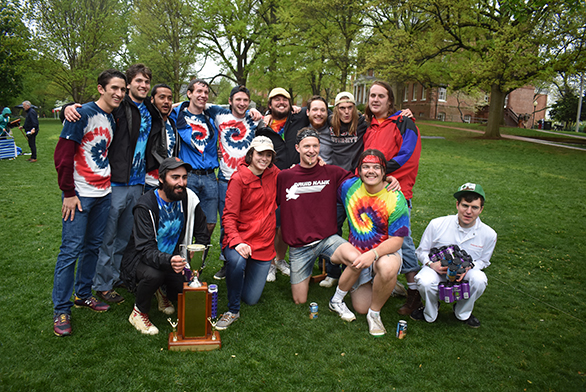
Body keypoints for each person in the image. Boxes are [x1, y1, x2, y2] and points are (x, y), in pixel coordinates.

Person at [52, 69, 127, 337]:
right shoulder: (81, 114)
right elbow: (62, 156)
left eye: (122, 89)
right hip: (79, 196)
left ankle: (83, 295)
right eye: (114, 88)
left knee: (92, 247)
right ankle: (61, 309)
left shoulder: (112, 118)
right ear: (100, 88)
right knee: (70, 250)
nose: (119, 93)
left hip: (103, 193)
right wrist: (69, 192)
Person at [277, 127, 363, 322]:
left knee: (357, 260)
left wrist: (389, 178)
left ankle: (338, 300)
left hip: (327, 239)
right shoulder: (285, 177)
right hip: (299, 248)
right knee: (300, 300)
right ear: (297, 148)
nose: (311, 150)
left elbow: (363, 181)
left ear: (320, 147)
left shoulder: (332, 173)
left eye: (315, 146)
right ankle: (304, 274)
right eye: (307, 146)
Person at [121, 157, 210, 335]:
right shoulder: (145, 206)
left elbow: (202, 233)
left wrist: (197, 261)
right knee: (154, 274)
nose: (181, 183)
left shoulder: (189, 199)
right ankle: (139, 312)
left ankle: (161, 292)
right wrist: (169, 260)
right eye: (175, 177)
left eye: (184, 177)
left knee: (183, 286)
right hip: (141, 260)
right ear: (161, 178)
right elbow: (145, 250)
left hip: (173, 258)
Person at [363, 80, 423, 316]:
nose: (375, 100)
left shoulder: (403, 122)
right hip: (373, 193)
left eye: (381, 96)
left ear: (390, 100)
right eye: (372, 96)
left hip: (396, 191)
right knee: (376, 239)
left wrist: (382, 175)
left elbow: (409, 155)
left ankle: (414, 293)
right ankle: (382, 282)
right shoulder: (370, 126)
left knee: (403, 242)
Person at [339, 149, 409, 336]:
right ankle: (387, 285)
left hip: (384, 253)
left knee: (386, 267)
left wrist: (373, 254)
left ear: (384, 171)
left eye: (376, 167)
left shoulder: (395, 198)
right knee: (360, 307)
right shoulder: (348, 187)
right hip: (358, 255)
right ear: (359, 171)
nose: (371, 171)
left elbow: (397, 241)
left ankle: (375, 314)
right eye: (366, 167)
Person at [411, 183, 497, 328]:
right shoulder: (437, 224)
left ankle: (462, 312)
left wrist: (470, 267)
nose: (468, 211)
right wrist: (432, 264)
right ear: (457, 204)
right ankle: (430, 312)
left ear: (481, 209)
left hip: (466, 273)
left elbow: (484, 261)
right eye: (465, 205)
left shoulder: (489, 234)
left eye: (474, 207)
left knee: (480, 280)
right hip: (437, 268)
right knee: (423, 280)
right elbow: (421, 251)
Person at [215, 136, 279, 330]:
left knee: (251, 299)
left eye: (268, 155)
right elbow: (228, 216)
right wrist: (237, 241)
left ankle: (240, 278)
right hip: (241, 239)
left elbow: (296, 175)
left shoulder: (274, 173)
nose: (264, 158)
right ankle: (233, 310)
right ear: (251, 154)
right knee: (236, 261)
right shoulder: (238, 178)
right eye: (260, 153)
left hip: (264, 243)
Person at [207, 85, 263, 281]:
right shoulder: (218, 114)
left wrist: (255, 112)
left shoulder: (254, 118)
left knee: (248, 220)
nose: (241, 103)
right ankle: (227, 262)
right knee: (227, 222)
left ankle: (250, 259)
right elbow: (193, 104)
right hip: (225, 179)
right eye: (238, 100)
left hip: (249, 178)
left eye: (245, 101)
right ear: (230, 101)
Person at [170, 79, 219, 238]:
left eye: (206, 92)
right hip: (188, 176)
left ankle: (199, 259)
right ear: (189, 94)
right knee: (184, 221)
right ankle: (182, 257)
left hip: (210, 177)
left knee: (210, 222)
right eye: (199, 91)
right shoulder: (177, 114)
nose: (203, 95)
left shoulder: (211, 119)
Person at [144, 83, 180, 191]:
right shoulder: (147, 121)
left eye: (169, 99)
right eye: (162, 97)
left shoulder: (172, 123)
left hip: (168, 184)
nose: (166, 102)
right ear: (152, 99)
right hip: (149, 183)